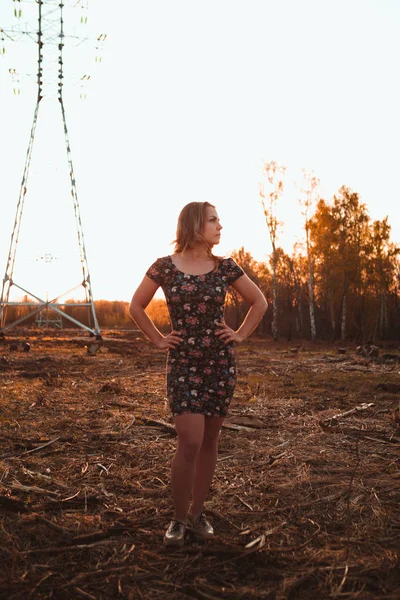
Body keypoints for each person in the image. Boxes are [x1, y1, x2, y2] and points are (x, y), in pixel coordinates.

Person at [129, 201, 267, 547]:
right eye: (213, 220)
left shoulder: (225, 268)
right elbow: (135, 306)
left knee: (209, 441)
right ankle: (177, 518)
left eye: (219, 220)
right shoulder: (164, 267)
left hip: (219, 363)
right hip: (183, 364)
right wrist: (159, 339)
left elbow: (260, 301)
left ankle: (197, 514)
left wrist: (240, 334)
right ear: (194, 225)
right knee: (189, 440)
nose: (220, 226)